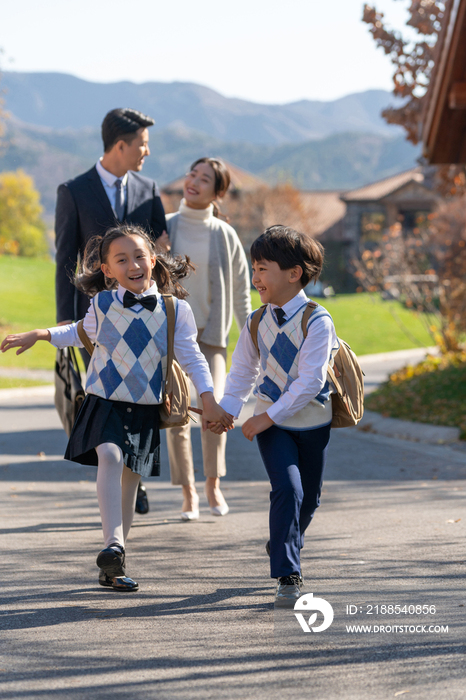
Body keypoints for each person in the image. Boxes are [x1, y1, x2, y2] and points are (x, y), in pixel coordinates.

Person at [1, 224, 233, 592]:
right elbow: (78, 332)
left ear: (153, 260)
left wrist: (209, 399)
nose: (133, 265)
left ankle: (115, 559)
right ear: (108, 270)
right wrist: (41, 334)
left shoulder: (176, 311)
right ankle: (112, 545)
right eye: (121, 260)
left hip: (144, 409)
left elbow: (193, 359)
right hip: (103, 401)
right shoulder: (103, 304)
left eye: (139, 256)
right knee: (109, 456)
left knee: (129, 486)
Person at [213, 225, 338, 606]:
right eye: (254, 268)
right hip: (274, 424)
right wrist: (228, 411)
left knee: (309, 500)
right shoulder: (255, 321)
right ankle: (288, 575)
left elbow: (310, 381)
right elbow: (243, 374)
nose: (255, 278)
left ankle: (282, 540)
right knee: (288, 489)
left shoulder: (317, 321)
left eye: (263, 269)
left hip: (313, 422)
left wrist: (265, 418)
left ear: (294, 273)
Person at [55, 107, 168, 515]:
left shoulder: (149, 188)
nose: (146, 152)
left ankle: (129, 481)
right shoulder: (73, 190)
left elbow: (161, 255)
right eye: (142, 144)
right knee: (108, 405)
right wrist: (64, 325)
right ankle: (119, 477)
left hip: (145, 320)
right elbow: (64, 260)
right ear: (121, 145)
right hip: (97, 322)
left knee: (137, 402)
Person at [165, 157, 251, 521]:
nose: (194, 182)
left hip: (212, 337)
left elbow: (243, 295)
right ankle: (188, 493)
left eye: (205, 179)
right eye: (192, 174)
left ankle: (213, 482)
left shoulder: (225, 234)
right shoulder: (165, 227)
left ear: (218, 193)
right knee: (176, 412)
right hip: (173, 337)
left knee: (214, 405)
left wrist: (253, 338)